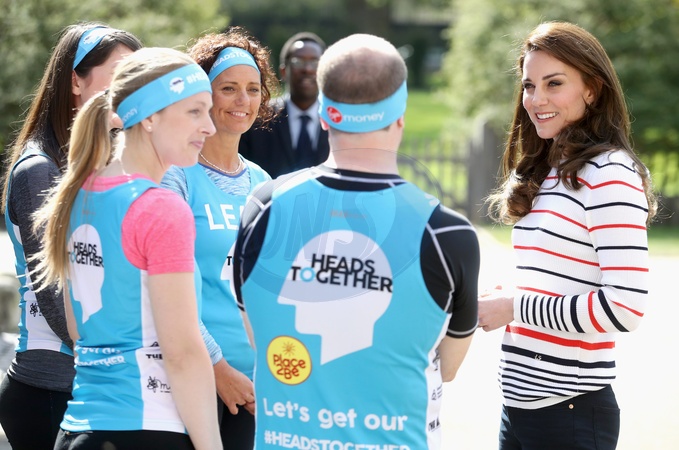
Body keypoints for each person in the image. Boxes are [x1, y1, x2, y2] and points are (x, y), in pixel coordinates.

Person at [233, 33, 480, 449]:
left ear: (324, 115)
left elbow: (257, 330)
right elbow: (447, 367)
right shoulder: (447, 233)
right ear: (400, 117)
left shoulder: (262, 206)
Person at [478, 21, 657, 450]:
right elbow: (559, 279)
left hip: (570, 413)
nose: (536, 99)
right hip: (520, 407)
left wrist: (515, 306)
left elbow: (625, 308)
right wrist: (510, 295)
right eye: (529, 85)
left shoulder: (610, 173)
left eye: (553, 84)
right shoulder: (548, 170)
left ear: (592, 90)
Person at [32, 47, 222, 450]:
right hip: (146, 427)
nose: (209, 127)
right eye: (194, 111)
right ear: (149, 117)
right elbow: (183, 353)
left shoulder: (78, 194)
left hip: (78, 429)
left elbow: (78, 329)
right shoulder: (160, 206)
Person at [0, 23, 142, 450]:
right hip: (50, 392)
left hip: (96, 383)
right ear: (75, 81)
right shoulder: (39, 170)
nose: (129, 87)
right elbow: (56, 300)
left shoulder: (107, 163)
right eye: (119, 73)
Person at [161, 26, 278, 449]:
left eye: (252, 89)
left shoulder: (263, 183)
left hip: (255, 385)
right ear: (203, 95)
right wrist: (217, 369)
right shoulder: (176, 176)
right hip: (195, 377)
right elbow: (166, 293)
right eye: (228, 88)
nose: (242, 100)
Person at [238, 31, 329, 178]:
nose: (307, 69)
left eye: (315, 62)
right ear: (284, 71)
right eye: (298, 62)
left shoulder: (340, 121)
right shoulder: (257, 118)